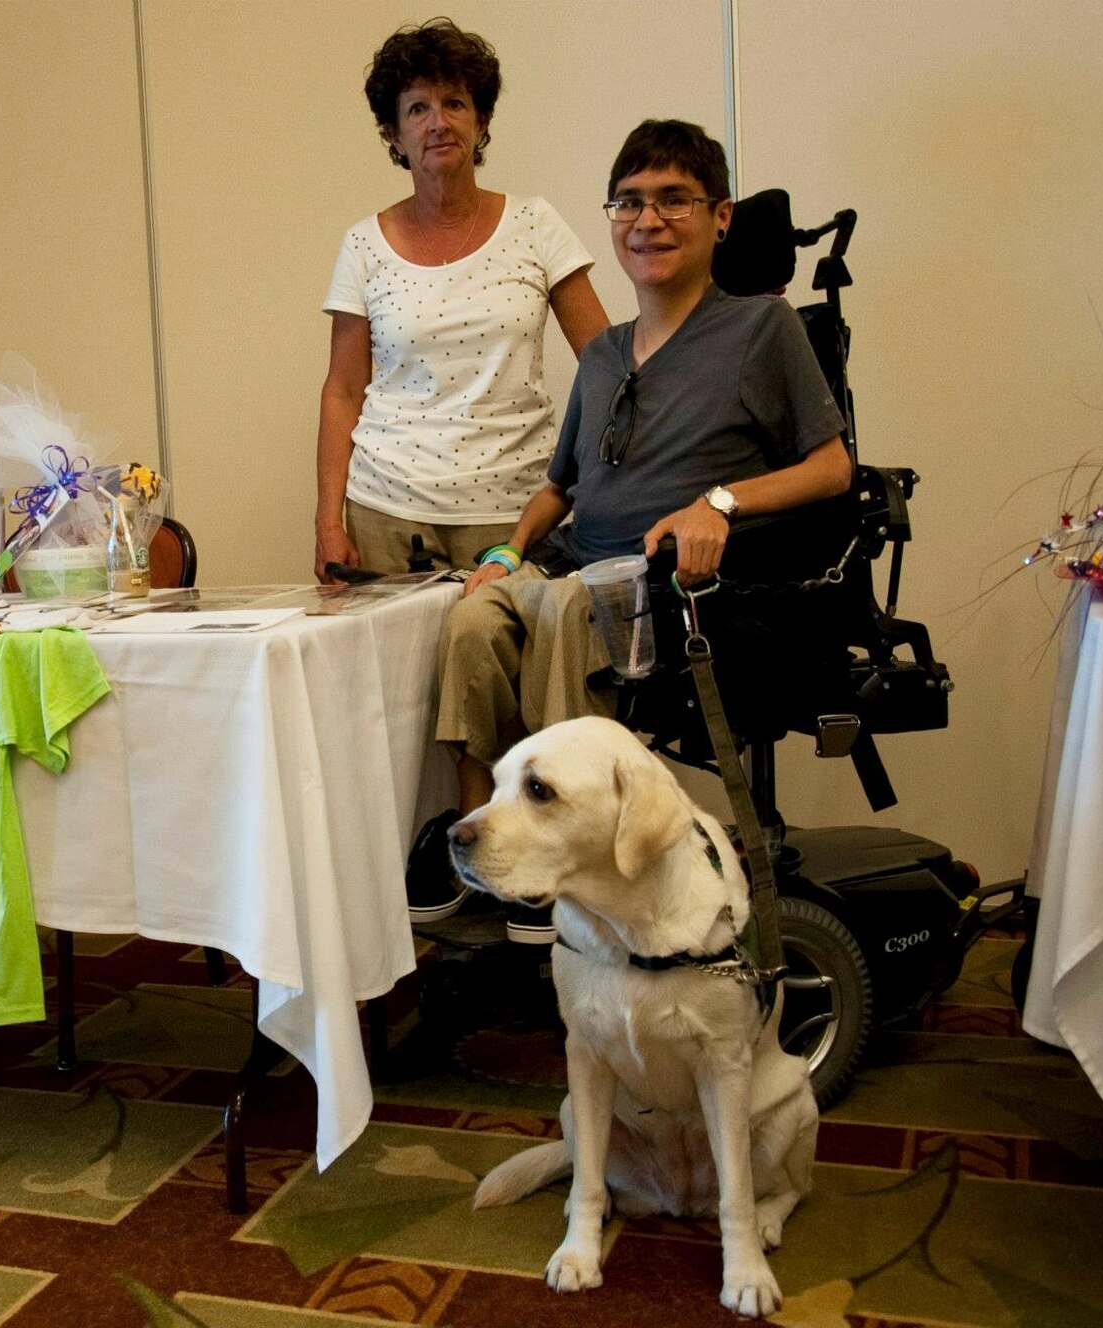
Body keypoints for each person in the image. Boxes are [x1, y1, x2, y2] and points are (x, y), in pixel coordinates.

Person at [419, 119, 854, 942]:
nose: (646, 220)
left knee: (568, 606)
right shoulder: (605, 355)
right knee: (474, 618)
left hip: (672, 591)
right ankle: (487, 850)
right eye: (629, 202)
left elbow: (832, 468)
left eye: (672, 201)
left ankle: (556, 863)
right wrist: (509, 551)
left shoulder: (763, 330)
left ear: (720, 217)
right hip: (580, 562)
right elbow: (559, 487)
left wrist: (719, 505)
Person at [315, 19, 608, 583]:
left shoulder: (535, 224)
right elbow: (343, 389)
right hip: (386, 514)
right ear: (394, 136)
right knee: (397, 674)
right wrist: (329, 520)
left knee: (505, 665)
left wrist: (589, 476)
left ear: (482, 121)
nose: (439, 122)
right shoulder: (362, 244)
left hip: (517, 512)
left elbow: (605, 361)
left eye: (455, 103)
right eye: (417, 109)